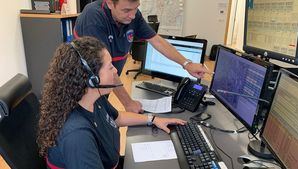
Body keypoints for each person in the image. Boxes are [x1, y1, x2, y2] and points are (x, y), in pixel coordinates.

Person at [37, 36, 186, 169]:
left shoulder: (93, 98)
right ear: (92, 79)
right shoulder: (77, 135)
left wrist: (153, 119)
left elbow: (116, 118)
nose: (115, 71)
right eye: (110, 67)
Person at [74, 0, 211, 113]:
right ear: (110, 3)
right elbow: (104, 67)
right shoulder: (93, 17)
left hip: (104, 85)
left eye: (136, 8)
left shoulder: (133, 15)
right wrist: (128, 103)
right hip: (82, 89)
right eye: (127, 10)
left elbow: (156, 41)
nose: (132, 15)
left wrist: (186, 64)